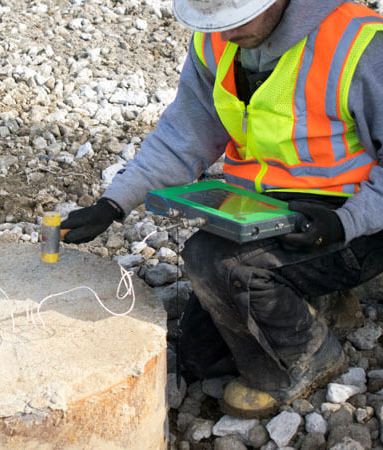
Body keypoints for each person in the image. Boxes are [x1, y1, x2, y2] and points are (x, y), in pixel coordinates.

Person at [61, 0, 383, 418]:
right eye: (215, 22)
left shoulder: (360, 43)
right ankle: (314, 300)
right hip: (271, 211)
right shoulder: (217, 41)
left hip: (356, 222)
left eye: (235, 19)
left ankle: (308, 357)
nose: (225, 34)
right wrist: (113, 203)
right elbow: (184, 136)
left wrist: (344, 224)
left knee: (214, 260)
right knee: (201, 358)